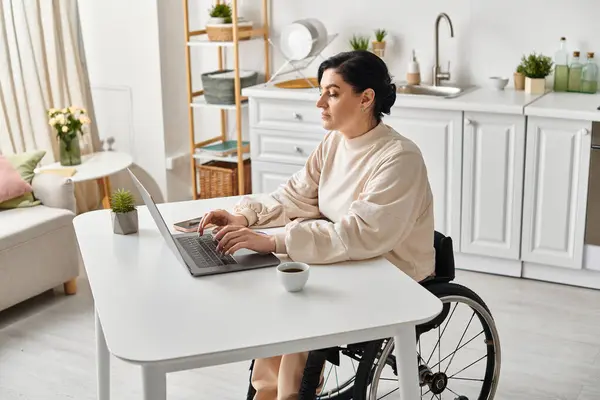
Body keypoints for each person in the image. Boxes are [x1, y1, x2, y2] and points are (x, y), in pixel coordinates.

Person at [197, 50, 436, 400]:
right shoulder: (335, 141)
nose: (320, 102)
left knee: (298, 310)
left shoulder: (399, 158)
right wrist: (244, 217)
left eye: (333, 93)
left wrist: (270, 241)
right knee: (279, 297)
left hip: (391, 270)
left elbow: (360, 234)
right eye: (321, 91)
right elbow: (296, 195)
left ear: (366, 98)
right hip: (350, 256)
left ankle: (288, 395)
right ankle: (269, 392)